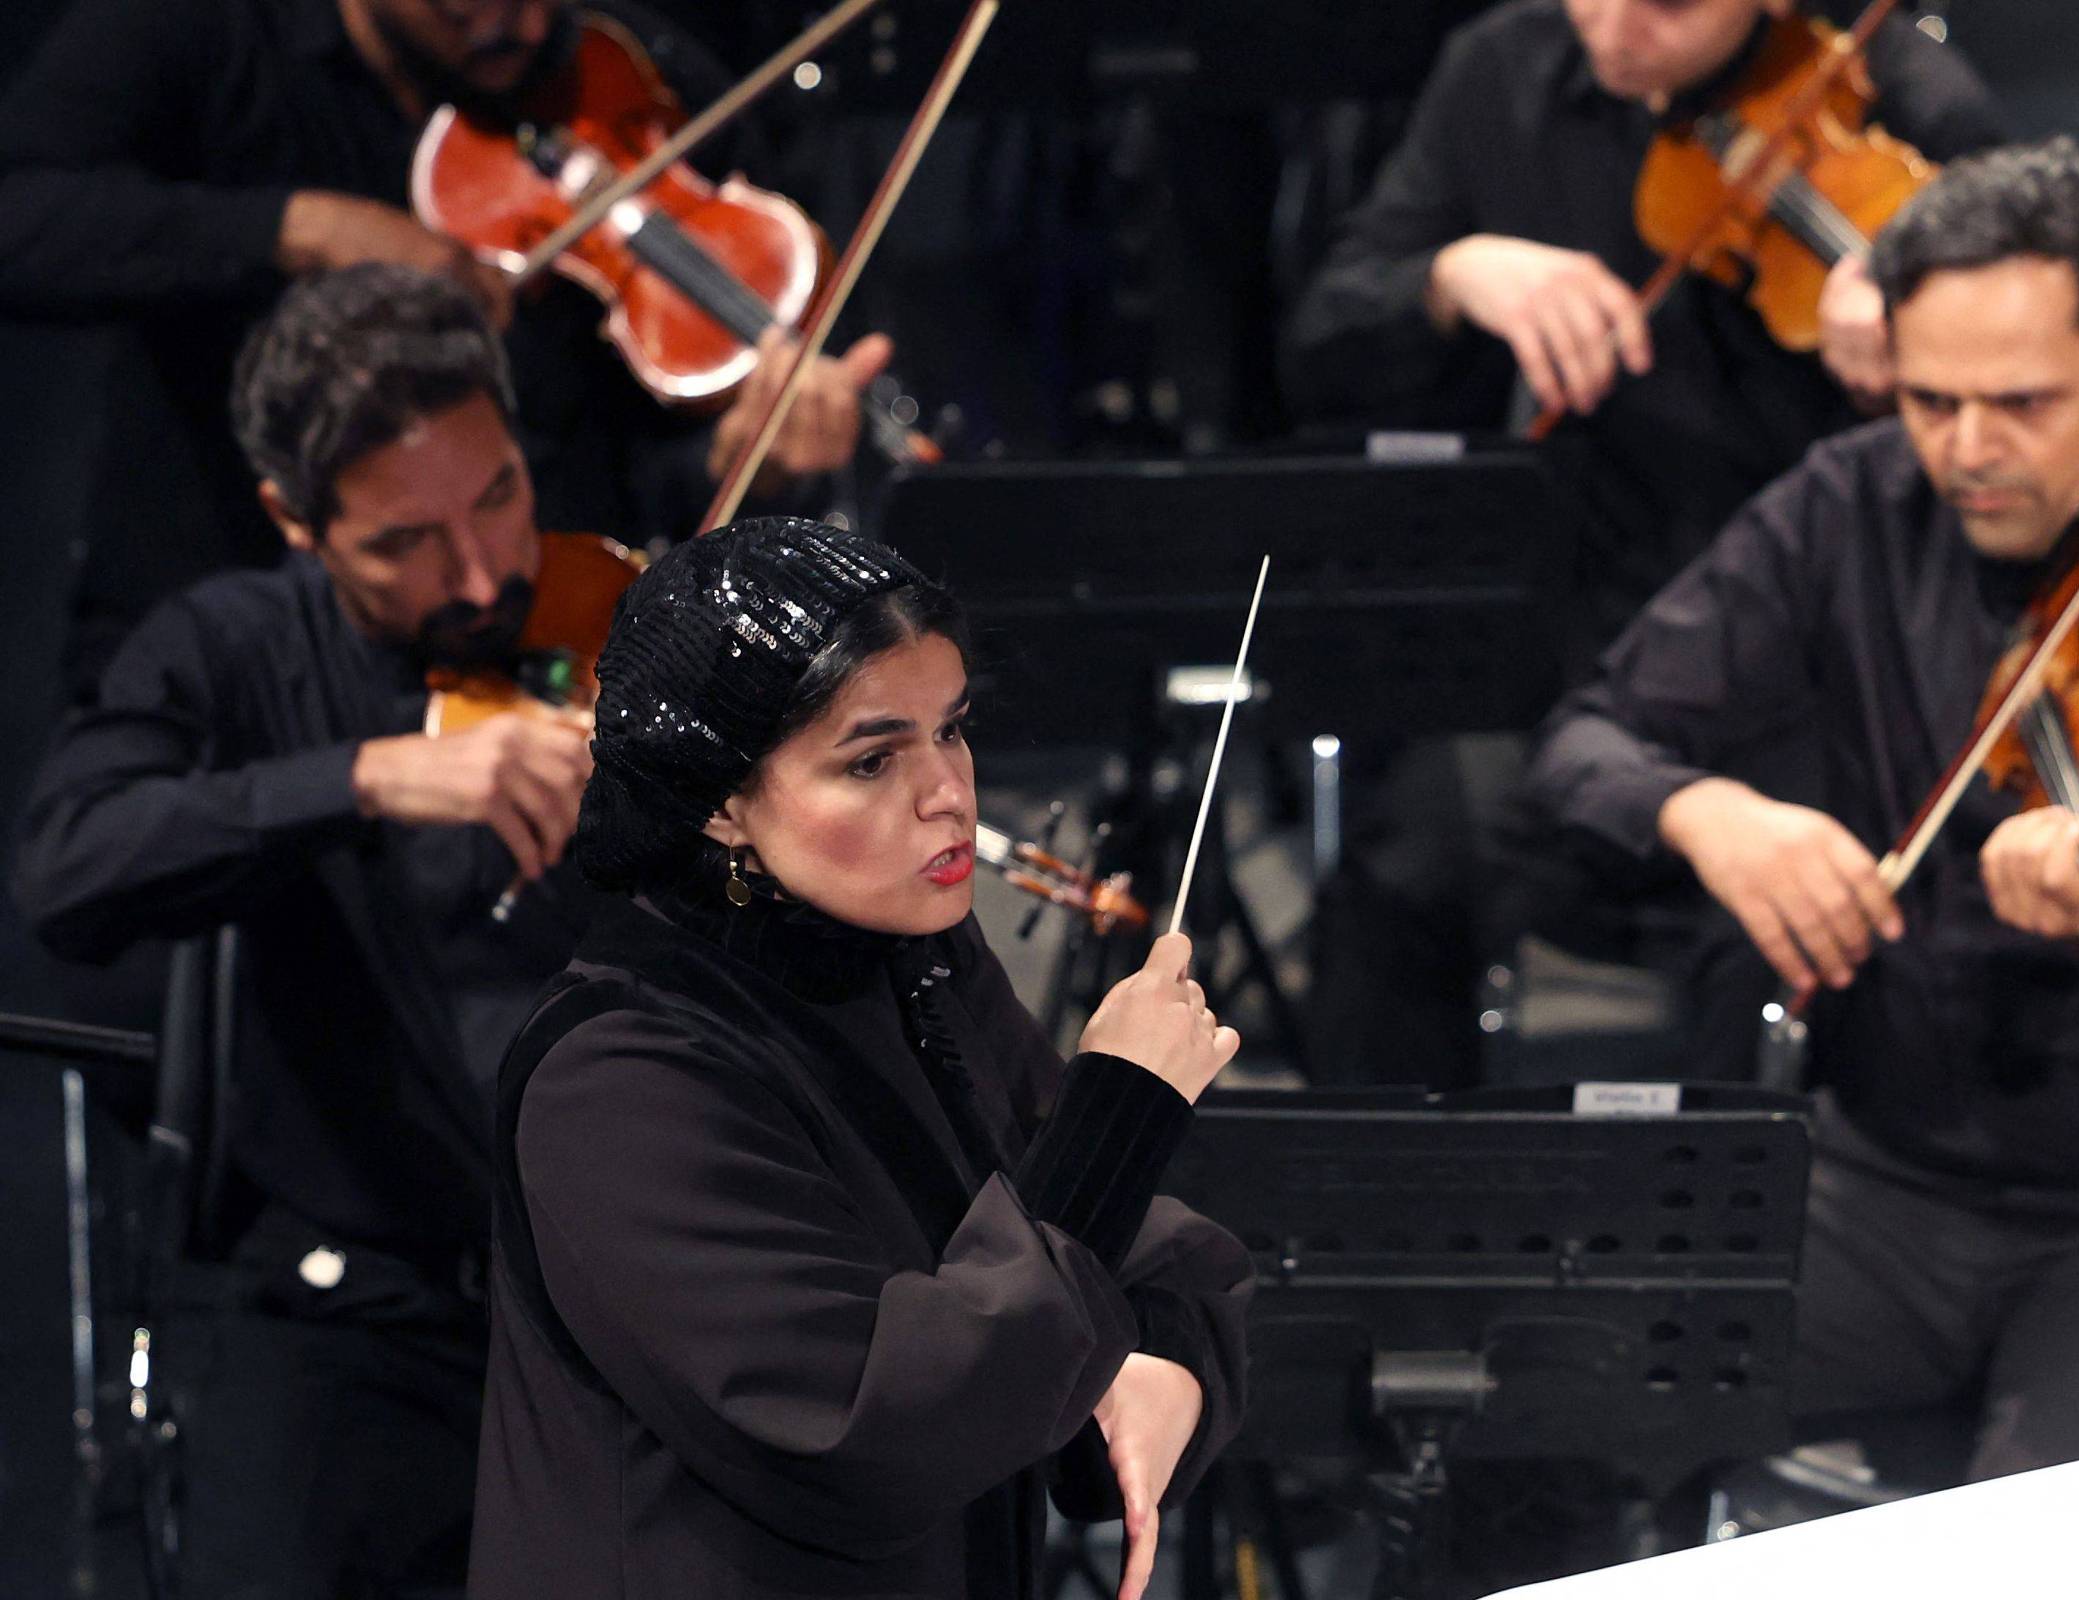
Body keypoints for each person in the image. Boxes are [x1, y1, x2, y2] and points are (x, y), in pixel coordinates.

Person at [1519, 138, 2079, 1523]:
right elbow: (1586, 740)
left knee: (2015, 1549)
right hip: (1881, 1186)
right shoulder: (1850, 508)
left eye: (2021, 404)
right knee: (1534, 1407)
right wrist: (1709, 812)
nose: (1967, 452)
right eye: (1931, 400)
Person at [467, 517, 1252, 1598]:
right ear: (725, 803)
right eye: (874, 757)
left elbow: (1146, 1248)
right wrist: (1118, 1110)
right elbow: (871, 1436)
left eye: (954, 730)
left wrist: (1165, 1366)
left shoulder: (910, 952)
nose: (949, 794)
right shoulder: (617, 1076)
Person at [14, 263, 609, 1596]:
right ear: (295, 520)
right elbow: (68, 865)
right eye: (405, 542)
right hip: (351, 1322)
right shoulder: (228, 648)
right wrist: (361, 776)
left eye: (500, 497)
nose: (480, 572)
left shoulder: (617, 612)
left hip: (614, 1315)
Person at [1278, 0, 2006, 1087]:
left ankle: (1715, 1241)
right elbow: (1321, 351)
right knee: (1395, 889)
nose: (1612, 29)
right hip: (1591, 654)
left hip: (1823, 674)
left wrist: (1940, 348)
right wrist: (1453, 275)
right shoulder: (1504, 71)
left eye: (1666, 4)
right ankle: (1360, 1245)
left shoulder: (1917, 113)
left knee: (1784, 950)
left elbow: (2047, 442)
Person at [0, 0, 891, 690]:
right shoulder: (210, 26)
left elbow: (634, 470)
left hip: (525, 652)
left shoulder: (613, 74)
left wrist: (746, 466)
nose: (523, 25)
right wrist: (291, 227)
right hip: (218, 600)